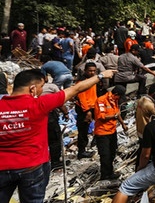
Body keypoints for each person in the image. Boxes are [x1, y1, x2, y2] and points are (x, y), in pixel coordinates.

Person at [0, 68, 115, 203]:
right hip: (32, 167)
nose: (42, 90)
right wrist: (102, 75)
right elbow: (76, 89)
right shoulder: (40, 103)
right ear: (33, 89)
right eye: (41, 87)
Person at [94, 85, 128, 180]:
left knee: (112, 152)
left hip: (112, 131)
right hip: (102, 132)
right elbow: (101, 117)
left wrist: (123, 124)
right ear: (116, 94)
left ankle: (110, 172)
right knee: (105, 155)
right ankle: (105, 175)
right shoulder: (101, 100)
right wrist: (114, 116)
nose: (120, 99)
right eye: (119, 97)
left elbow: (117, 114)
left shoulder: (115, 100)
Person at [41, 82, 70, 170]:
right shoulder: (51, 87)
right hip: (49, 116)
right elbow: (59, 101)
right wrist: (65, 113)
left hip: (35, 117)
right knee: (54, 140)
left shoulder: (27, 88)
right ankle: (55, 162)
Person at [74, 62, 101, 159]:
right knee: (83, 130)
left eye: (94, 71)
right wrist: (87, 111)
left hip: (93, 106)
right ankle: (81, 151)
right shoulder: (81, 82)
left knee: (100, 122)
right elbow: (82, 98)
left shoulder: (93, 80)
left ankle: (96, 140)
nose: (92, 73)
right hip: (84, 108)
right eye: (90, 71)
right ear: (85, 71)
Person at [134, 83, 155, 170]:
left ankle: (138, 168)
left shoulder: (141, 99)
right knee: (147, 154)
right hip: (146, 132)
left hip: (140, 130)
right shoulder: (150, 105)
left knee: (141, 151)